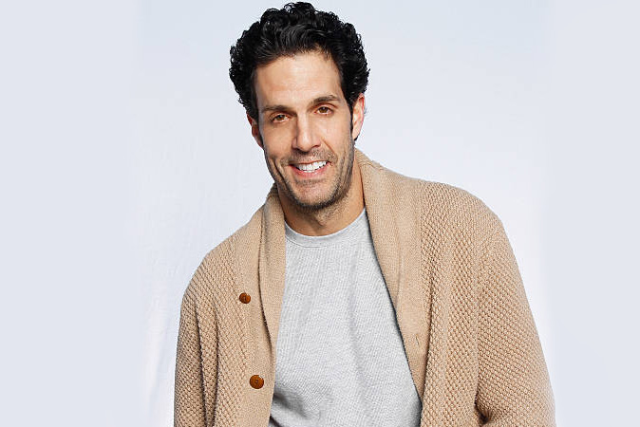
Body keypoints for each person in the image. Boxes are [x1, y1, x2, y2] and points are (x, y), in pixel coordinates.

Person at [173, 2, 556, 426]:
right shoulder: (215, 288)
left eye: (323, 109)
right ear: (256, 129)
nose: (305, 140)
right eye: (280, 117)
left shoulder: (462, 231)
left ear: (355, 113)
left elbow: (525, 414)